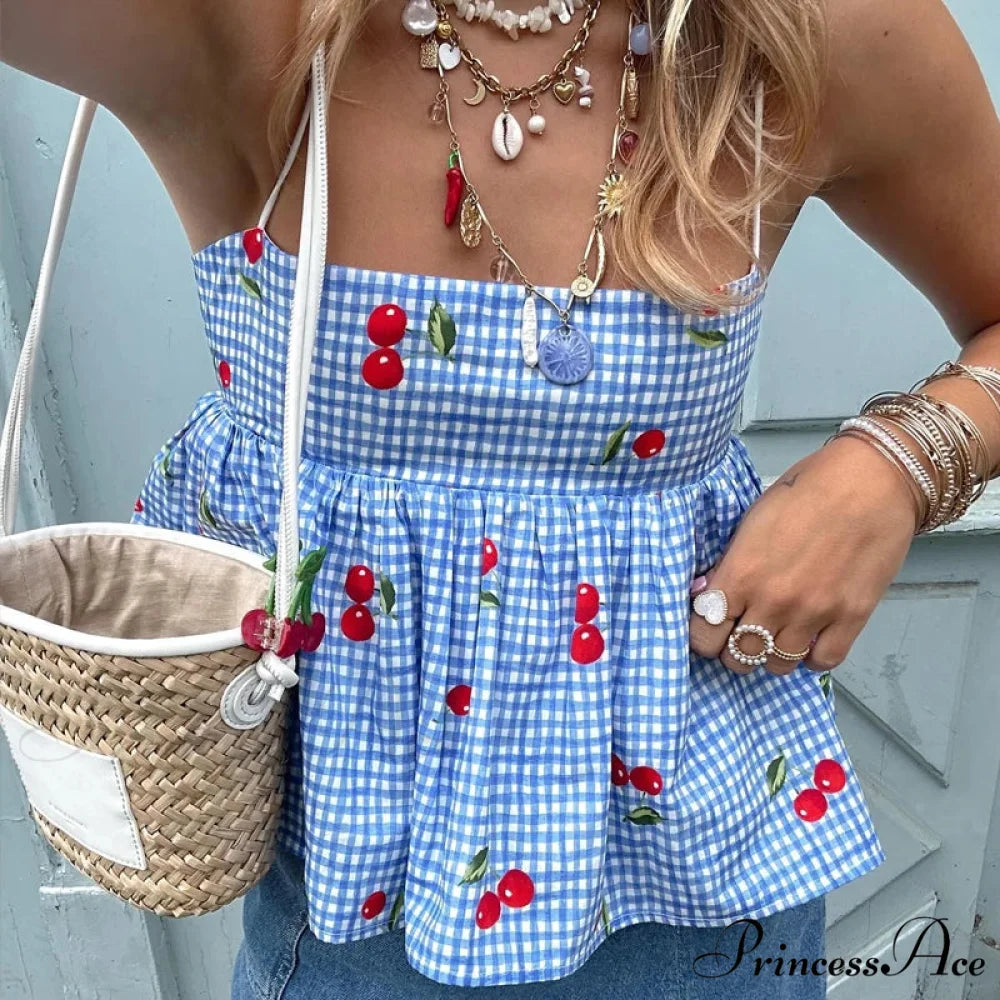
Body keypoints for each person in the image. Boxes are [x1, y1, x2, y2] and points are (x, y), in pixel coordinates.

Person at [4, 0, 1000, 996]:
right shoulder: (244, 37)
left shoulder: (807, 36)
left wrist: (900, 463)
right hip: (355, 928)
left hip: (690, 911)